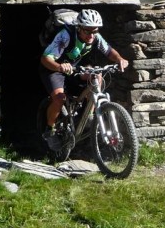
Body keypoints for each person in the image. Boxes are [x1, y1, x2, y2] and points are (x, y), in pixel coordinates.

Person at [39, 9, 129, 149]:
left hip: (74, 67)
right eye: (87, 31)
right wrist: (59, 67)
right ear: (79, 27)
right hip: (53, 68)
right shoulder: (65, 36)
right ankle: (49, 129)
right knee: (60, 98)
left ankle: (89, 116)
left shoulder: (95, 36)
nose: (91, 35)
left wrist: (120, 59)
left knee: (96, 75)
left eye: (95, 31)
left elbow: (109, 51)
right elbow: (45, 59)